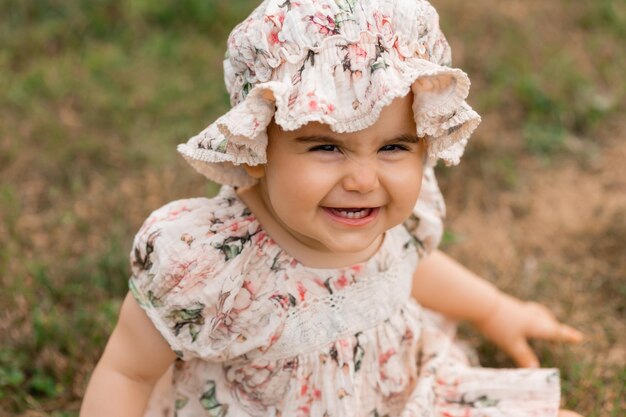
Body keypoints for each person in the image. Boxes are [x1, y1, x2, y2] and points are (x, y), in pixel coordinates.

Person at [80, 1, 585, 416]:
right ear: (256, 146)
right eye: (326, 147)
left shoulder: (390, 219)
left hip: (398, 395)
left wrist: (495, 309)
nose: (364, 180)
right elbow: (127, 372)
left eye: (393, 148)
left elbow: (410, 267)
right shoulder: (210, 261)